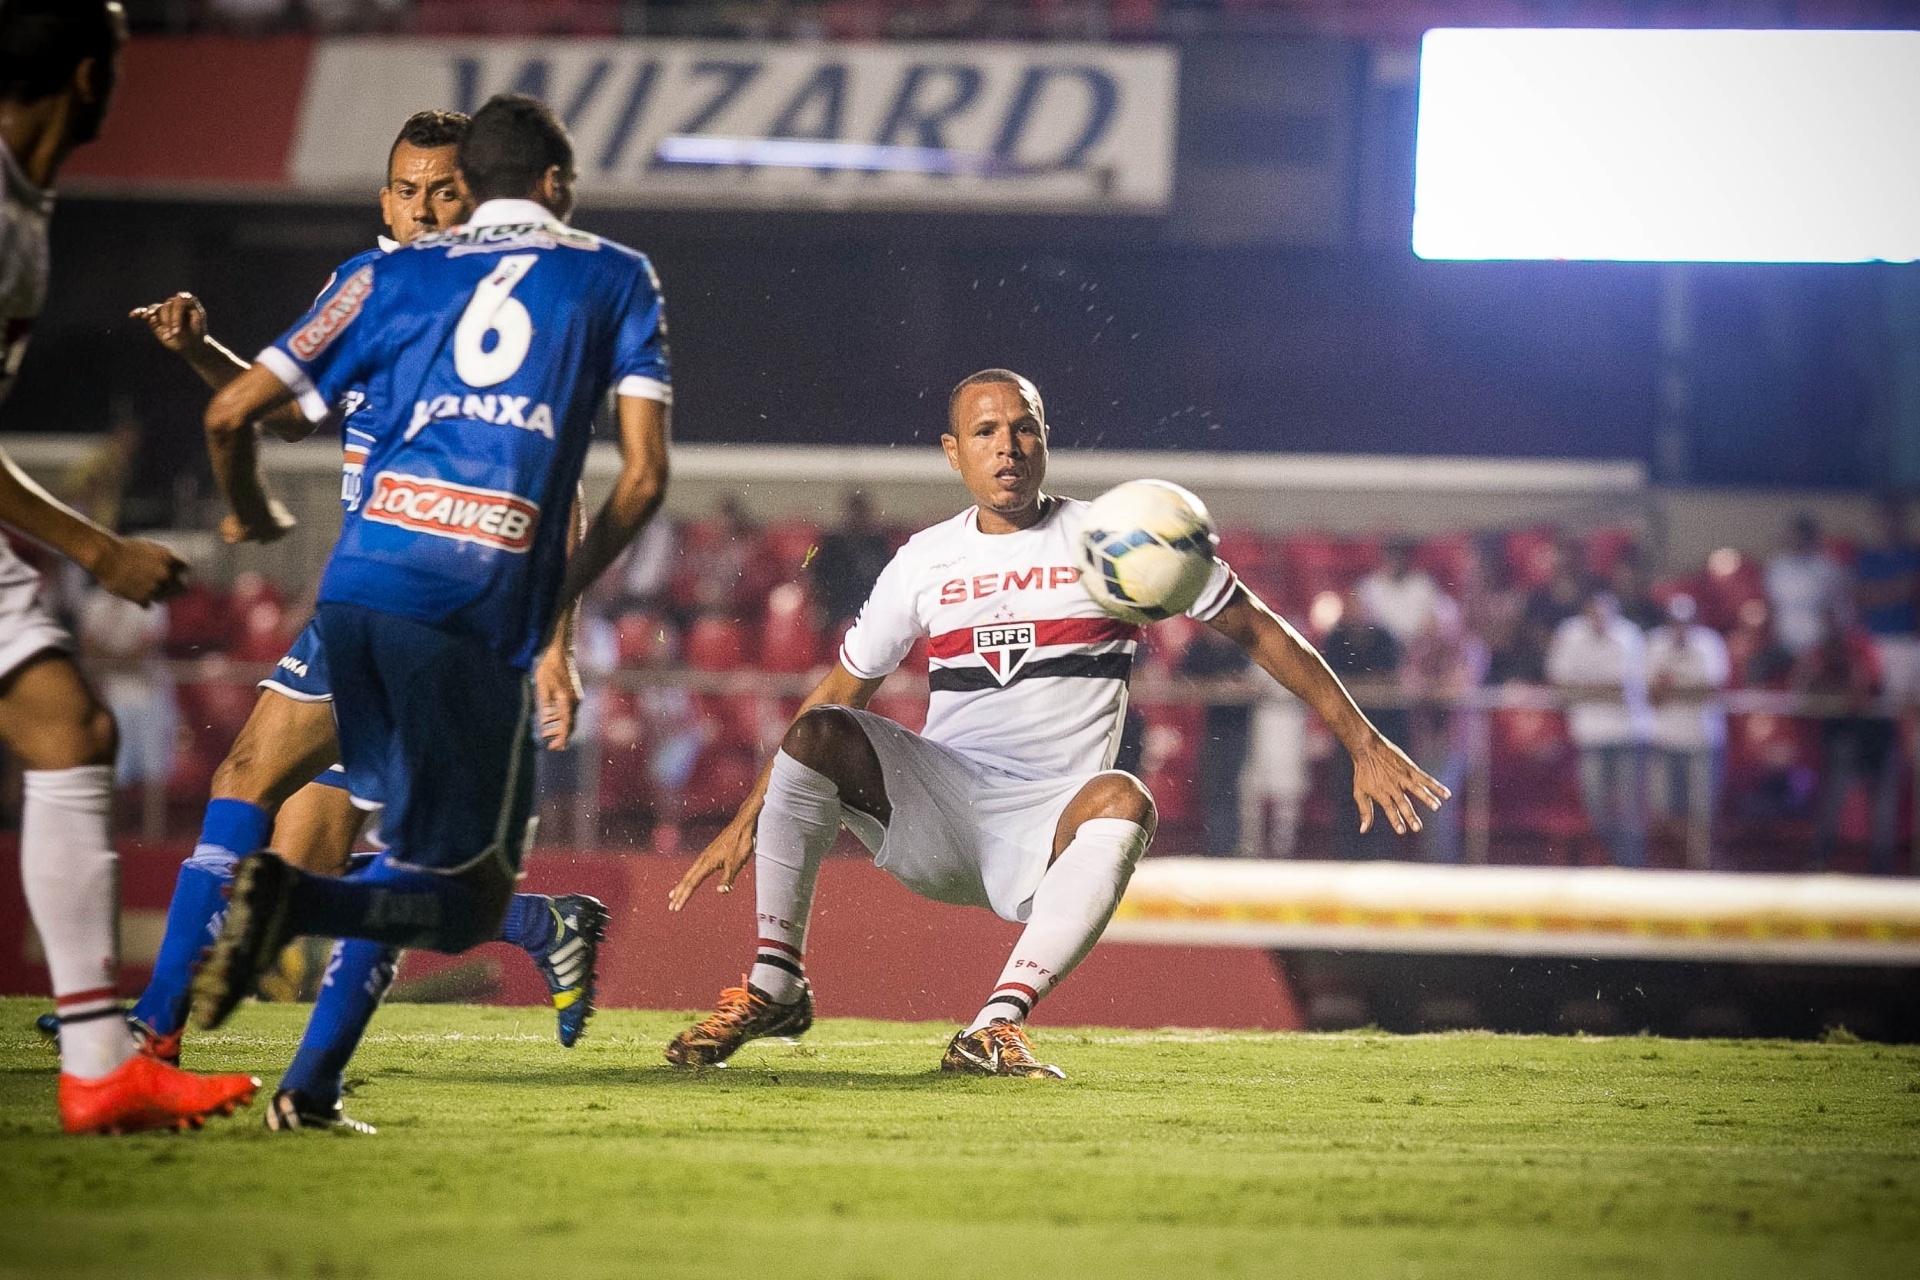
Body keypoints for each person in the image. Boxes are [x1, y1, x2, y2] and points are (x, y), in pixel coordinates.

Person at [663, 370, 1445, 1078]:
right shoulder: (923, 559)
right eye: (985, 432)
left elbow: (1259, 629)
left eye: (1024, 427)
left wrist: (1362, 740)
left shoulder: (1118, 538)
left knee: (1128, 796)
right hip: (942, 807)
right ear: (952, 452)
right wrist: (751, 810)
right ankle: (775, 985)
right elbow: (839, 688)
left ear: (1045, 438)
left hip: (1051, 823)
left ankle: (993, 1028)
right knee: (822, 728)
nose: (1008, 447)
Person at [184, 97, 672, 1120]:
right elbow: (284, 415)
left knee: (346, 848)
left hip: (393, 593)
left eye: (438, 189)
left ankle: (201, 1035)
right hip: (412, 597)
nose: (418, 206)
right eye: (402, 190)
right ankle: (172, 1030)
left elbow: (550, 477)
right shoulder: (436, 282)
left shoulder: (410, 288)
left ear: (473, 192)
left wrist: (551, 634)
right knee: (337, 843)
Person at [0, 0, 258, 1134]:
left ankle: (102, 1064)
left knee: (69, 728)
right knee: (71, 727)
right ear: (86, 77)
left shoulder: (26, 203)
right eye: (118, 60)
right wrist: (96, 544)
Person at [1546, 589, 1652, 868]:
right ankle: (1614, 859)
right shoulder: (1570, 634)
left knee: (1630, 808)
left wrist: (1585, 688)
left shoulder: (1629, 636)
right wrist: (1599, 689)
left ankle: (1632, 869)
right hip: (1590, 734)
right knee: (1594, 803)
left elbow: (1625, 689)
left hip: (1629, 733)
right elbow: (1559, 684)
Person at [1796, 603, 1900, 874]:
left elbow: (1862, 692)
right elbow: (1806, 694)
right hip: (1843, 737)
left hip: (1876, 736)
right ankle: (1818, 863)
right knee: (1832, 802)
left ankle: (1882, 873)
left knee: (1882, 811)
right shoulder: (1818, 653)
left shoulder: (1862, 647)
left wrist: (1841, 681)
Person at [1319, 588, 1409, 861]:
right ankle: (1348, 854)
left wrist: (1353, 687)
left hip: (1382, 733)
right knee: (1347, 794)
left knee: (1382, 793)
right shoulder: (1336, 639)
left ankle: (1382, 856)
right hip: (1347, 735)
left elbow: (1390, 680)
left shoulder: (1384, 639)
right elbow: (1327, 682)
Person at [1645, 594, 1730, 869]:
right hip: (1664, 739)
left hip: (1703, 742)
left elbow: (1711, 690)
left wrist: (1673, 687)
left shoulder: (1709, 644)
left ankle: (1703, 869)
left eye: (1685, 622)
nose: (1680, 628)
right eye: (1674, 622)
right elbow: (1650, 693)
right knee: (1664, 810)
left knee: (1702, 813)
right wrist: (1686, 688)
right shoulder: (1655, 643)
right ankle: (1696, 864)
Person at [1853, 494, 1920, 711]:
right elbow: (1861, 597)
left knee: (1907, 710)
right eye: (1885, 517)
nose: (1890, 523)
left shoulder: (1914, 554)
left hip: (1909, 641)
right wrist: (1901, 587)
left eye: (1895, 516)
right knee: (1879, 710)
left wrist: (1882, 592)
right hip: (1875, 643)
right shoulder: (1868, 557)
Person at [1765, 511, 1850, 658]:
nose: (1798, 539)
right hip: (1786, 646)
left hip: (1821, 648)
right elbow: (1772, 607)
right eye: (1794, 534)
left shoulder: (1830, 568)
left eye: (1803, 534)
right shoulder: (1777, 567)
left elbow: (1840, 613)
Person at [811, 490, 893, 630]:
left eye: (861, 514)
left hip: (871, 613)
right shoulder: (831, 544)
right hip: (835, 613)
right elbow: (817, 580)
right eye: (853, 513)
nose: (856, 519)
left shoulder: (878, 544)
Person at [1355, 536, 1440, 648]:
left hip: (1418, 646)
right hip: (1379, 647)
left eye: (1400, 556)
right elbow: (1361, 623)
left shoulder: (1423, 583)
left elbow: (1436, 619)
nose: (1396, 561)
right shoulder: (1368, 586)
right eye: (1392, 556)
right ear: (1384, 557)